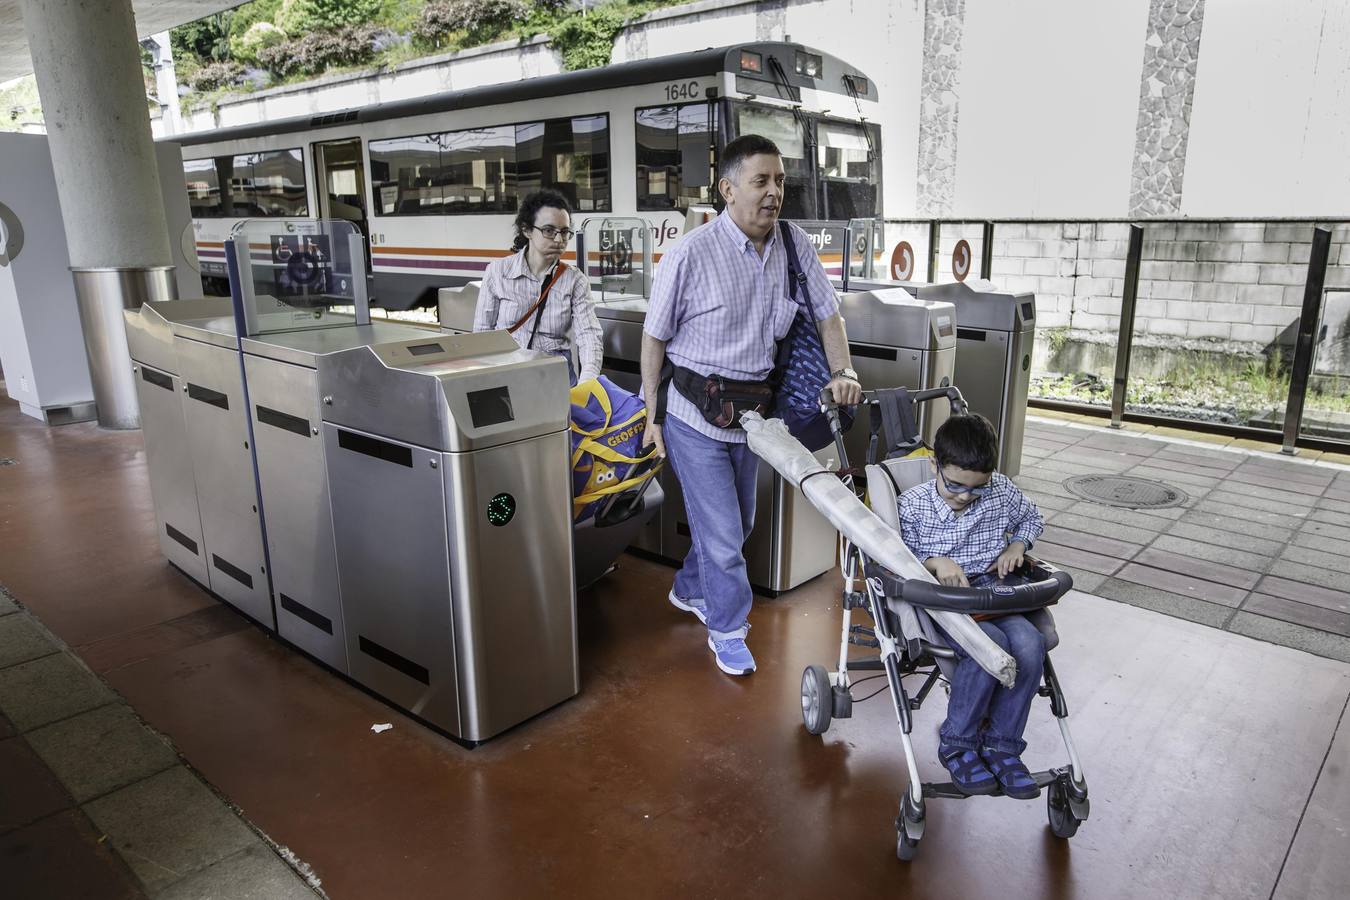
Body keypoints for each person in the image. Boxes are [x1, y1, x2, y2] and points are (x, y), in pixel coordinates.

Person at [640, 134, 863, 677]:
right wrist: (652, 418)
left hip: (755, 419)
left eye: (780, 181)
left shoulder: (793, 244)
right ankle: (729, 629)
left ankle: (690, 589)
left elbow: (828, 315)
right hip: (695, 414)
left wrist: (844, 371)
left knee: (737, 526)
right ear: (727, 189)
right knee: (721, 535)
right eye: (761, 181)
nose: (773, 193)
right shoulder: (691, 254)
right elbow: (654, 338)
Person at [897, 413, 1047, 799]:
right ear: (934, 464)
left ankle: (1001, 744)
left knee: (1031, 645)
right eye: (955, 486)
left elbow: (1032, 517)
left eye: (975, 489)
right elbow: (897, 557)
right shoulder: (913, 506)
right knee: (987, 647)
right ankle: (958, 743)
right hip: (945, 601)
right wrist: (935, 562)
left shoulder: (1000, 490)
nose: (965, 496)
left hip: (994, 591)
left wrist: (1017, 545)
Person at [473, 189, 603, 385]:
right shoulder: (498, 272)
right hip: (507, 374)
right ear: (527, 231)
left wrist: (588, 381)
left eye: (565, 232)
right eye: (549, 231)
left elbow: (589, 334)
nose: (559, 240)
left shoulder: (575, 280)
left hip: (555, 378)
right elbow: (482, 334)